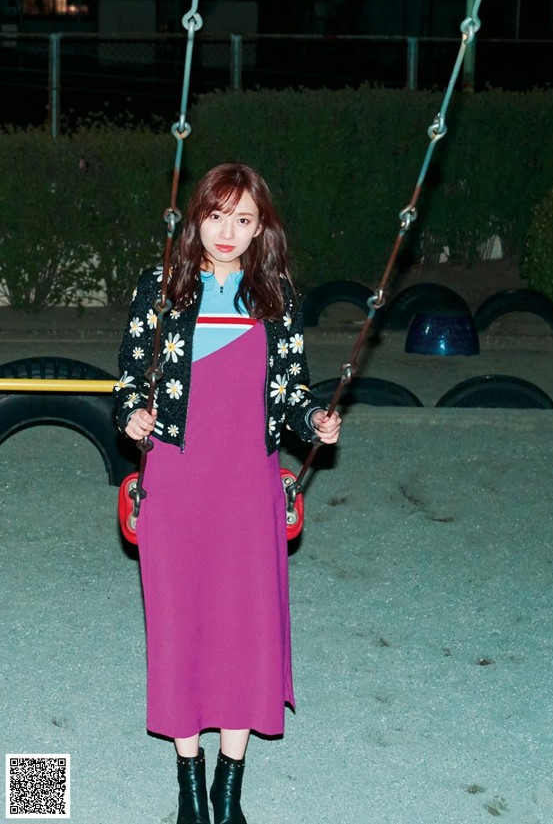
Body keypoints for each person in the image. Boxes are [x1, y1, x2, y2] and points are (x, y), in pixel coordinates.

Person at [113, 163, 342, 824]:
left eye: (244, 220)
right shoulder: (161, 288)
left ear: (260, 228)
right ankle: (189, 790)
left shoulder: (274, 295)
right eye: (217, 215)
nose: (227, 231)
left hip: (248, 485)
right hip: (176, 481)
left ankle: (228, 791)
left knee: (245, 632)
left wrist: (314, 420)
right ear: (196, 217)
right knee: (179, 627)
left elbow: (293, 389)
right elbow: (129, 380)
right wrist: (130, 414)